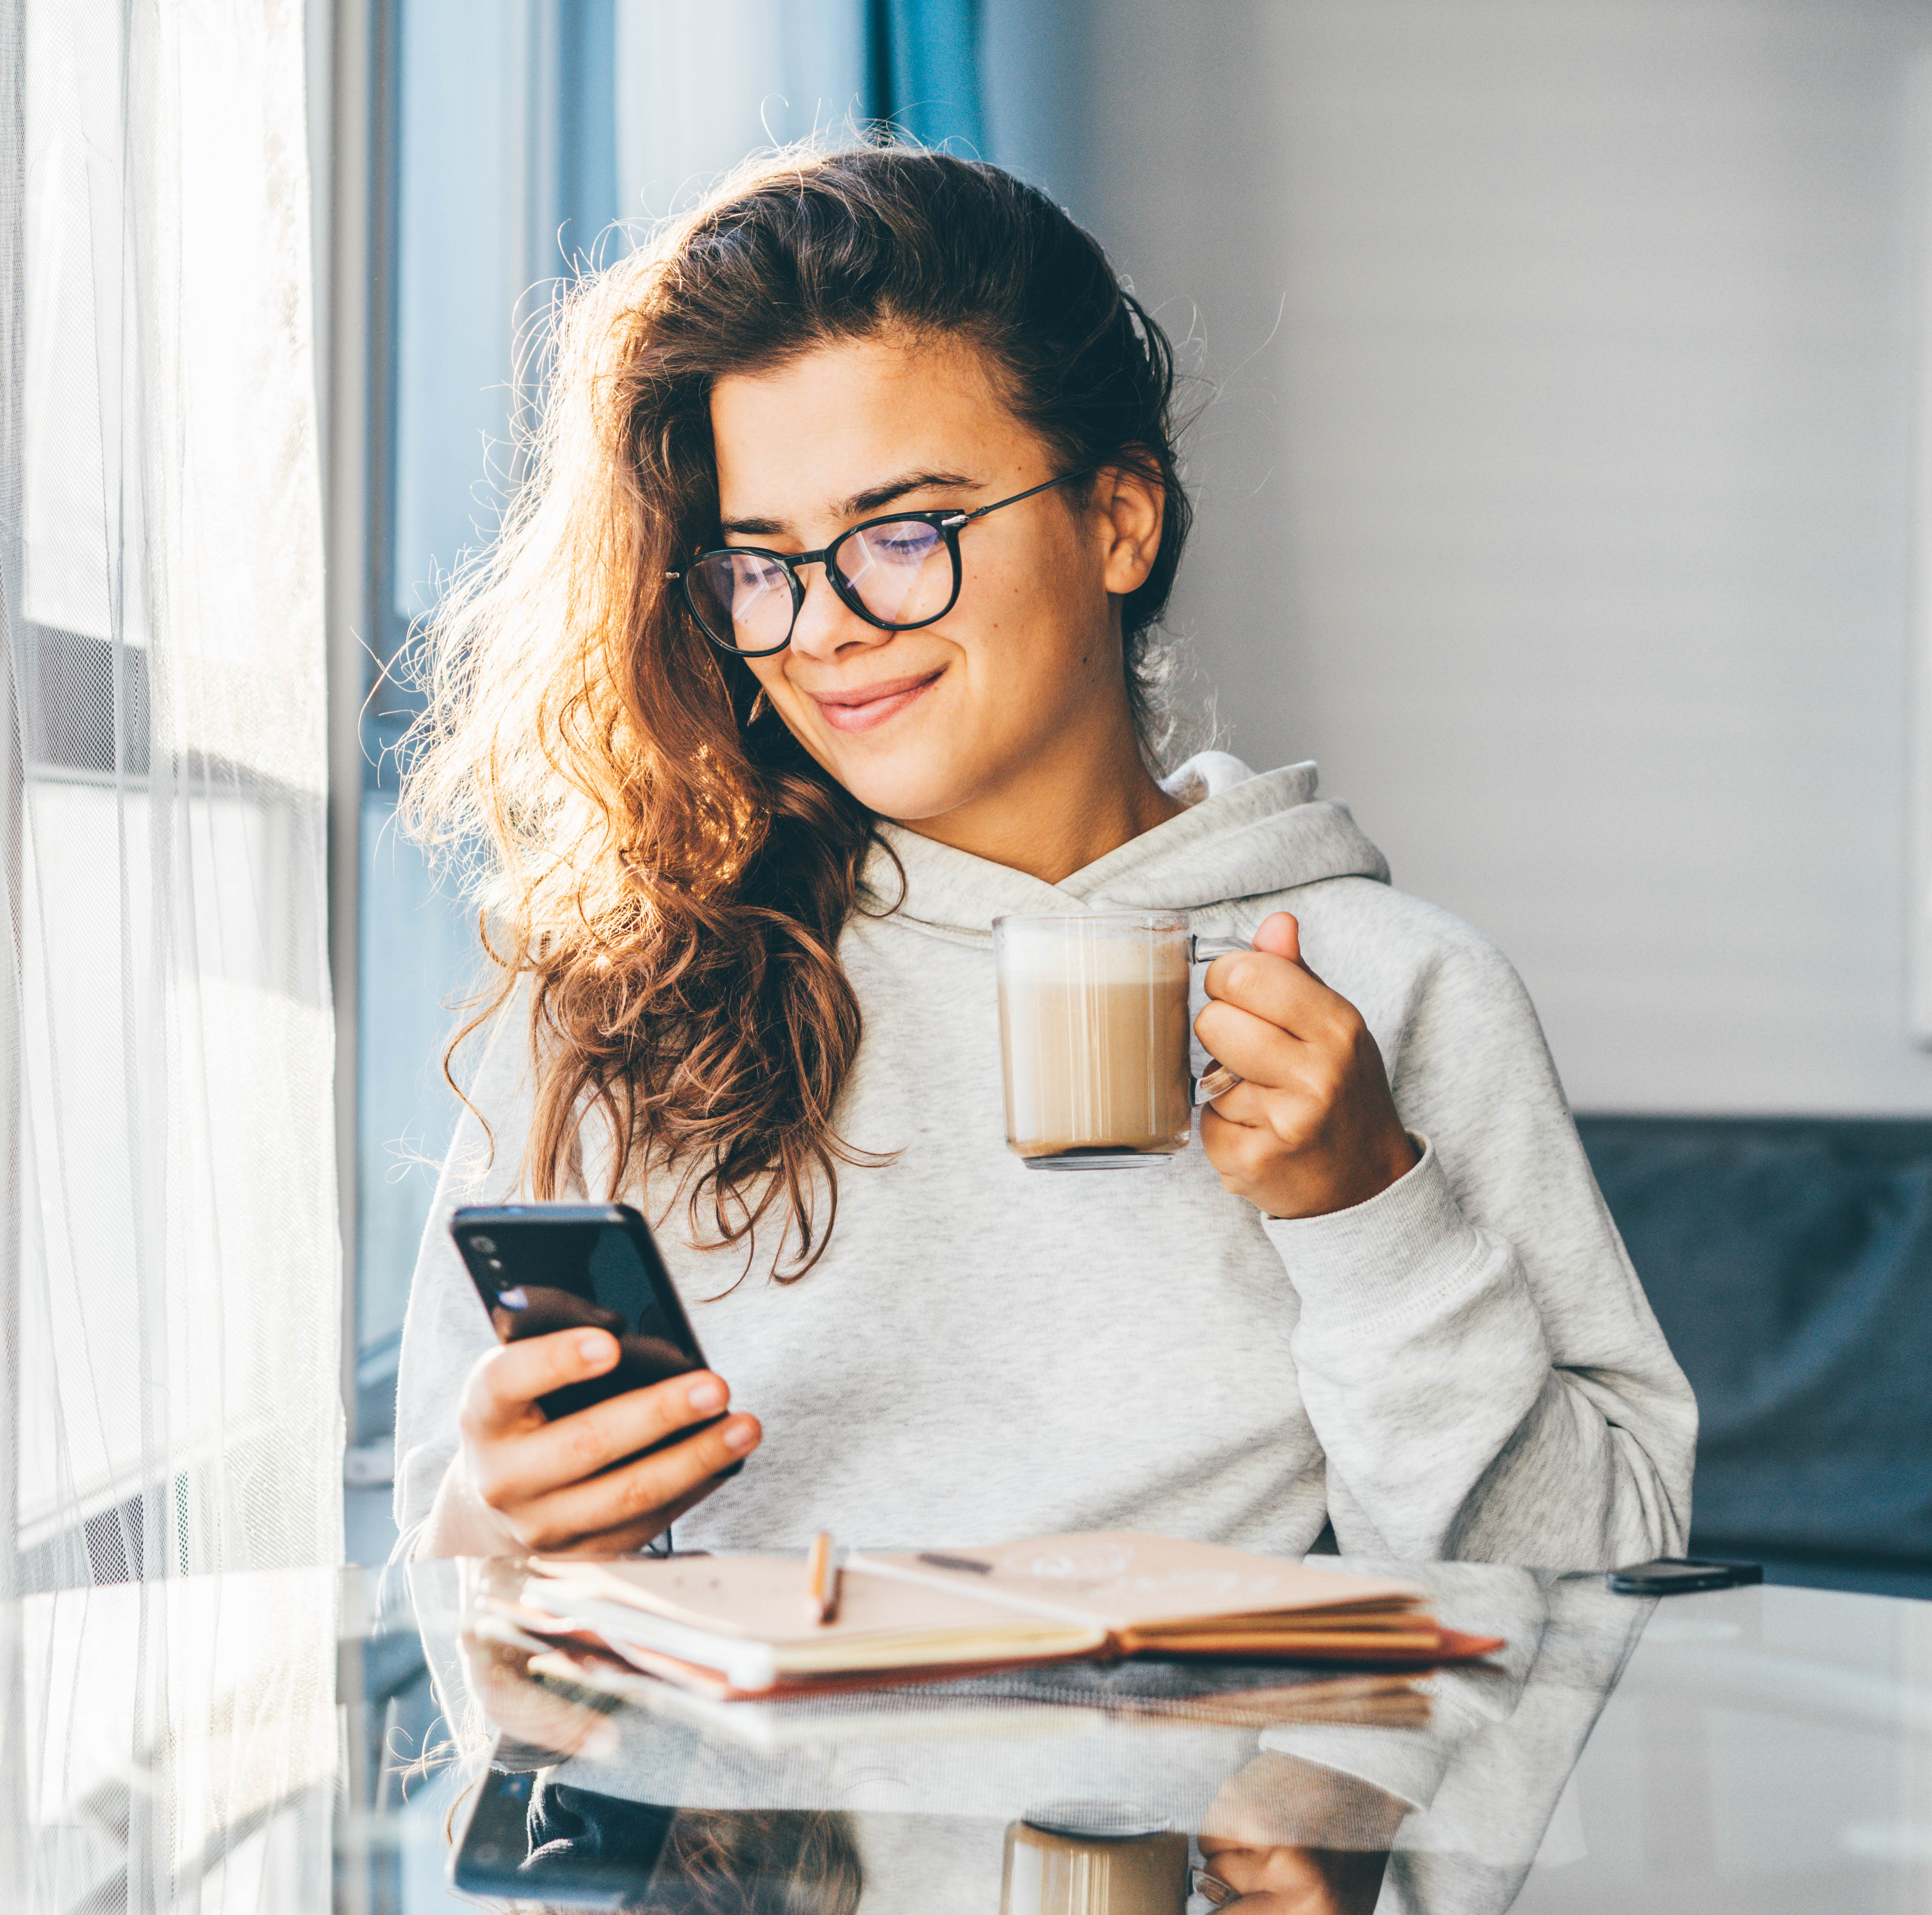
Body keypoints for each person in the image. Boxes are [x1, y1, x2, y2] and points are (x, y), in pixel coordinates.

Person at [389, 142, 1693, 1570]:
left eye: (900, 531)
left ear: (1116, 518)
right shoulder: (617, 992)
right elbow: (464, 1627)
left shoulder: (1391, 990)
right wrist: (501, 1531)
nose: (820, 628)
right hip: (748, 1798)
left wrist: (1371, 1209)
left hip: (1198, 1793)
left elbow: (1610, 1597)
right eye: (756, 562)